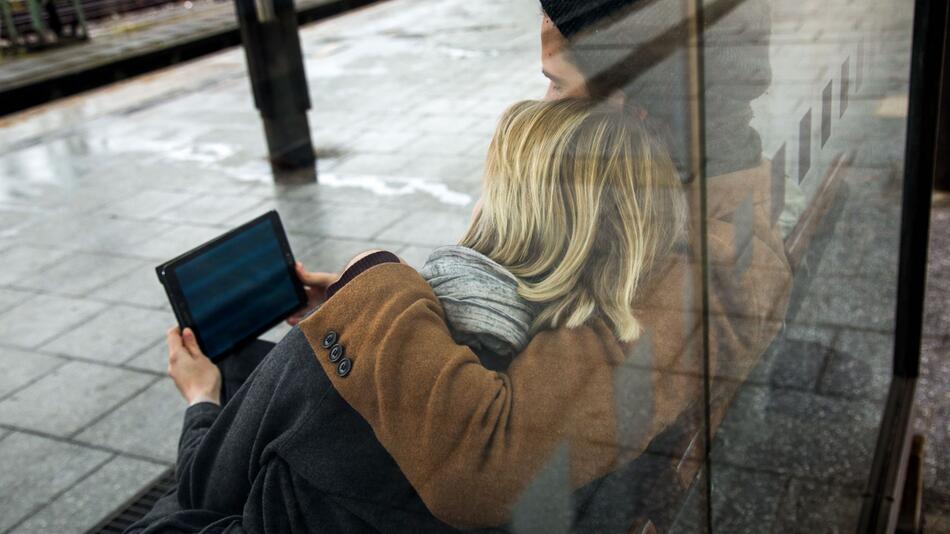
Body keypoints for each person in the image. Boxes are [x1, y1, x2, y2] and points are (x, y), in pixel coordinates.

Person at [134, 0, 791, 531]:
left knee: (258, 374)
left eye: (554, 85)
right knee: (266, 367)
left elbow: (484, 465)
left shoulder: (701, 270)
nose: (546, 108)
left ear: (636, 105)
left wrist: (375, 279)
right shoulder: (690, 223)